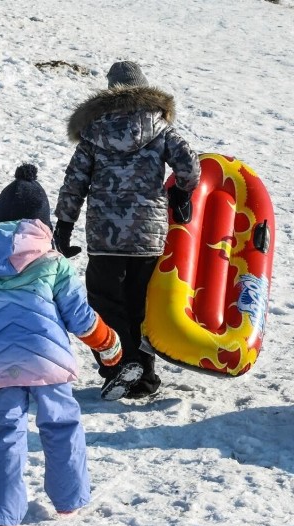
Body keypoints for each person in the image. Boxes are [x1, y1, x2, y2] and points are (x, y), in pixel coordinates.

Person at [0, 164, 123, 526]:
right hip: (48, 361)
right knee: (61, 425)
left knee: (5, 433)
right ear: (41, 223)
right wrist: (107, 344)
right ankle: (69, 499)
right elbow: (80, 316)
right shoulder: (54, 264)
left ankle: (0, 516)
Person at [53, 60, 201, 400]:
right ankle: (145, 377)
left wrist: (64, 226)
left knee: (105, 305)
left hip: (105, 237)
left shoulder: (92, 133)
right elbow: (190, 165)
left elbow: (74, 183)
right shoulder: (161, 129)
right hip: (148, 236)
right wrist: (180, 193)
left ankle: (118, 366)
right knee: (142, 305)